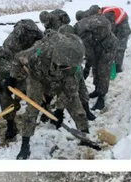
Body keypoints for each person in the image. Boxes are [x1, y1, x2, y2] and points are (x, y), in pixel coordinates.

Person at [6, 31, 89, 159]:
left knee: (75, 103)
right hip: (37, 77)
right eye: (65, 66)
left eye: (70, 67)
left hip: (61, 79)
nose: (69, 68)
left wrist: (60, 110)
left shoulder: (73, 65)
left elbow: (70, 91)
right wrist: (12, 77)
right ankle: (25, 144)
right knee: (32, 109)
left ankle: (85, 134)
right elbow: (18, 58)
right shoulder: (38, 51)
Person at [74, 14, 118, 110]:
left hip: (108, 46)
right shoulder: (79, 27)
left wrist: (86, 68)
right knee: (95, 67)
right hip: (98, 43)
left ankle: (102, 96)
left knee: (103, 70)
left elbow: (90, 56)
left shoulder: (82, 35)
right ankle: (97, 90)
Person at [76, 5, 131, 73]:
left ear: (99, 11)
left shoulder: (107, 15)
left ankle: (117, 67)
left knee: (120, 46)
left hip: (123, 24)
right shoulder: (97, 11)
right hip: (115, 21)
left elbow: (109, 32)